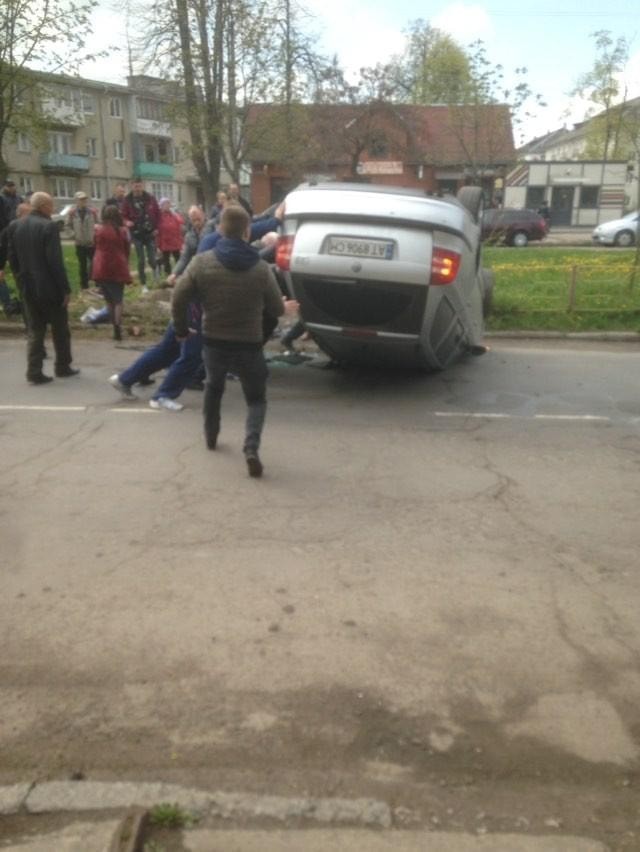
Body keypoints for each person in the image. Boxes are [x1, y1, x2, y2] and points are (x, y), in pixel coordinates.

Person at [172, 205, 284, 477]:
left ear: (221, 229)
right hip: (249, 343)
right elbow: (277, 310)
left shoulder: (202, 262)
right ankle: (251, 448)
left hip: (214, 340)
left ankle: (211, 435)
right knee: (256, 399)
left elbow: (179, 296)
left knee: (214, 386)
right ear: (247, 232)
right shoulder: (260, 269)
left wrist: (182, 329)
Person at [8, 191, 78, 384]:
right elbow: (55, 262)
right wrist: (65, 289)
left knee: (35, 329)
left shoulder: (15, 225)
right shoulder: (49, 226)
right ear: (44, 206)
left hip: (27, 285)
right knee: (60, 329)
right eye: (51, 204)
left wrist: (19, 279)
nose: (53, 208)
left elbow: (12, 258)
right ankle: (62, 366)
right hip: (49, 288)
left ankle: (34, 370)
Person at [91, 204, 132, 341]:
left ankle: (113, 325)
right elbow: (126, 249)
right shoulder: (122, 231)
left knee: (108, 300)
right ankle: (117, 328)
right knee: (118, 300)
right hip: (117, 267)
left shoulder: (99, 230)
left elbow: (95, 246)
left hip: (101, 267)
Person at [121, 179, 160, 293]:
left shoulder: (150, 198)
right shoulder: (127, 200)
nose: (137, 189)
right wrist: (126, 222)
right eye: (135, 186)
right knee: (141, 260)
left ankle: (155, 272)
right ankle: (144, 284)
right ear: (131, 187)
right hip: (136, 234)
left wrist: (157, 228)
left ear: (142, 186)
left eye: (139, 186)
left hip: (150, 232)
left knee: (152, 258)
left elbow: (158, 214)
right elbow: (123, 216)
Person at [66, 191, 98, 290]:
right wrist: (74, 236)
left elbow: (98, 224)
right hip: (79, 243)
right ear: (76, 201)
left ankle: (98, 284)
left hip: (91, 243)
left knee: (95, 263)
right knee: (82, 265)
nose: (83, 201)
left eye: (85, 199)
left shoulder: (92, 212)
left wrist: (95, 236)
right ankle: (84, 285)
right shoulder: (72, 213)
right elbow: (67, 226)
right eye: (81, 199)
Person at [156, 198, 184, 277]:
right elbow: (157, 231)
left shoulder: (173, 214)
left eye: (168, 204)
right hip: (165, 241)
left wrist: (175, 213)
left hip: (175, 241)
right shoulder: (159, 216)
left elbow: (181, 221)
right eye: (165, 204)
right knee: (166, 260)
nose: (167, 206)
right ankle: (168, 275)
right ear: (161, 206)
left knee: (178, 258)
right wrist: (157, 245)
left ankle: (179, 274)